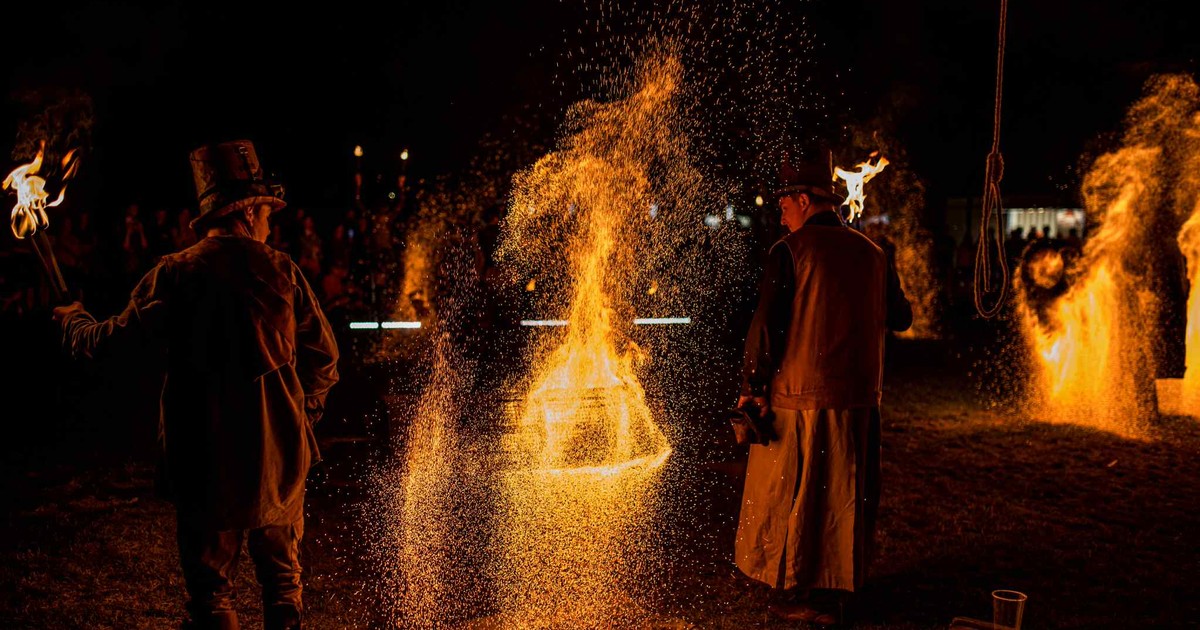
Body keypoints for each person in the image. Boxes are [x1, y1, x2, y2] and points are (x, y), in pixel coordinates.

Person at [52, 140, 340, 630]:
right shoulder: (282, 271)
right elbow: (325, 360)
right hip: (277, 462)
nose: (271, 222)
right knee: (282, 586)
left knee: (211, 594)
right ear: (247, 212)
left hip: (208, 459)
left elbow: (110, 348)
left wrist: (73, 322)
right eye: (267, 211)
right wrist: (296, 419)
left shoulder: (175, 274)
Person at [735, 158, 912, 626]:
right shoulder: (874, 253)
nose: (780, 214)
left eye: (783, 204)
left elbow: (766, 325)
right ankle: (836, 592)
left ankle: (801, 594)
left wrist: (753, 386)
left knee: (799, 500)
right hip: (858, 403)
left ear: (804, 200)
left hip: (801, 401)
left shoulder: (791, 250)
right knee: (844, 500)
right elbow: (902, 318)